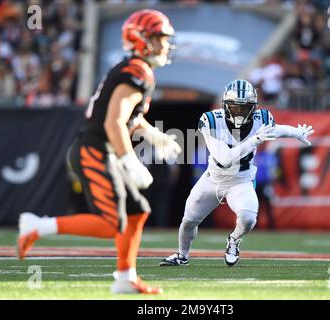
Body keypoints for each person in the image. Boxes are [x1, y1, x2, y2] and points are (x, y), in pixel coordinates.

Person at [17, 9, 181, 294]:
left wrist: (153, 135)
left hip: (100, 148)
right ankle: (37, 226)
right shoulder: (138, 71)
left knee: (136, 211)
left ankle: (125, 277)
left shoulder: (136, 68)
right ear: (141, 39)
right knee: (110, 224)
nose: (165, 45)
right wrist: (131, 161)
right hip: (95, 150)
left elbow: (129, 116)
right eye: (159, 38)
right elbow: (114, 121)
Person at [159, 79, 314, 267]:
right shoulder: (212, 121)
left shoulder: (260, 120)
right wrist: (254, 140)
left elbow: (276, 130)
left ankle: (233, 240)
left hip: (241, 182)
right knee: (189, 221)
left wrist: (296, 133)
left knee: (248, 219)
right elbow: (225, 158)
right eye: (234, 107)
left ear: (253, 108)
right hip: (212, 180)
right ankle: (182, 255)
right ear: (225, 106)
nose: (239, 112)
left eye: (244, 108)